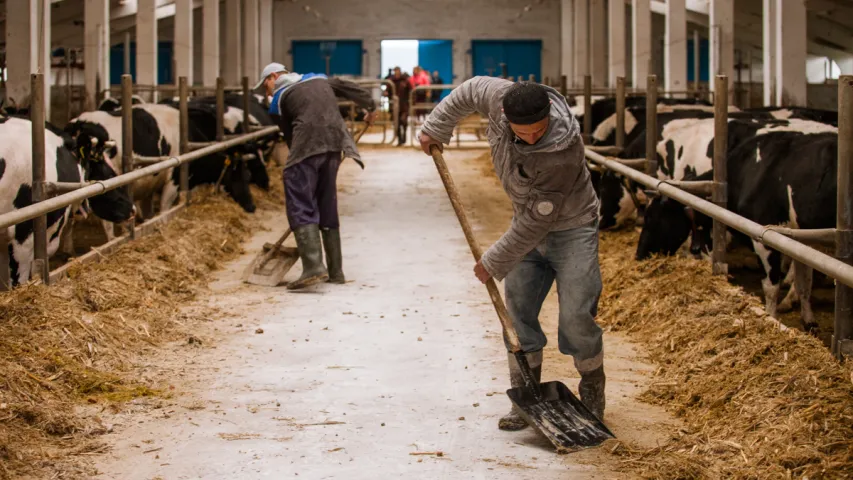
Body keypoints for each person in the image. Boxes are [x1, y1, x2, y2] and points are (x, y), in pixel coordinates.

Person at [417, 78, 605, 428]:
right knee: (517, 311)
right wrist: (436, 126)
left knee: (576, 318)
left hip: (571, 228)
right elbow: (469, 90)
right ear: (504, 116)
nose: (533, 137)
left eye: (539, 130)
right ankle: (526, 397)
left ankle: (593, 393)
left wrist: (494, 260)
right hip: (526, 224)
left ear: (549, 116)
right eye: (524, 131)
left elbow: (539, 218)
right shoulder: (499, 97)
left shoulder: (561, 151)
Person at [254, 62, 377, 290]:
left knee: (300, 200)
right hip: (335, 145)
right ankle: (336, 271)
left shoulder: (279, 99)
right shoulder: (319, 79)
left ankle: (313, 267)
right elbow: (349, 87)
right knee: (326, 201)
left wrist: (298, 167)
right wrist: (371, 106)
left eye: (265, 86)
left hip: (307, 147)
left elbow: (292, 139)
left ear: (273, 77)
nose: (267, 92)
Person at [386, 66, 412, 146]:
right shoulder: (391, 81)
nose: (396, 73)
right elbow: (387, 91)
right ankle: (399, 139)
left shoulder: (405, 81)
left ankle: (404, 136)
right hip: (394, 105)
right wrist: (386, 93)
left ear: (400, 71)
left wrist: (411, 102)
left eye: (398, 71)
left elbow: (411, 91)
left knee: (403, 121)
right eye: (395, 71)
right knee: (396, 123)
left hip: (404, 104)